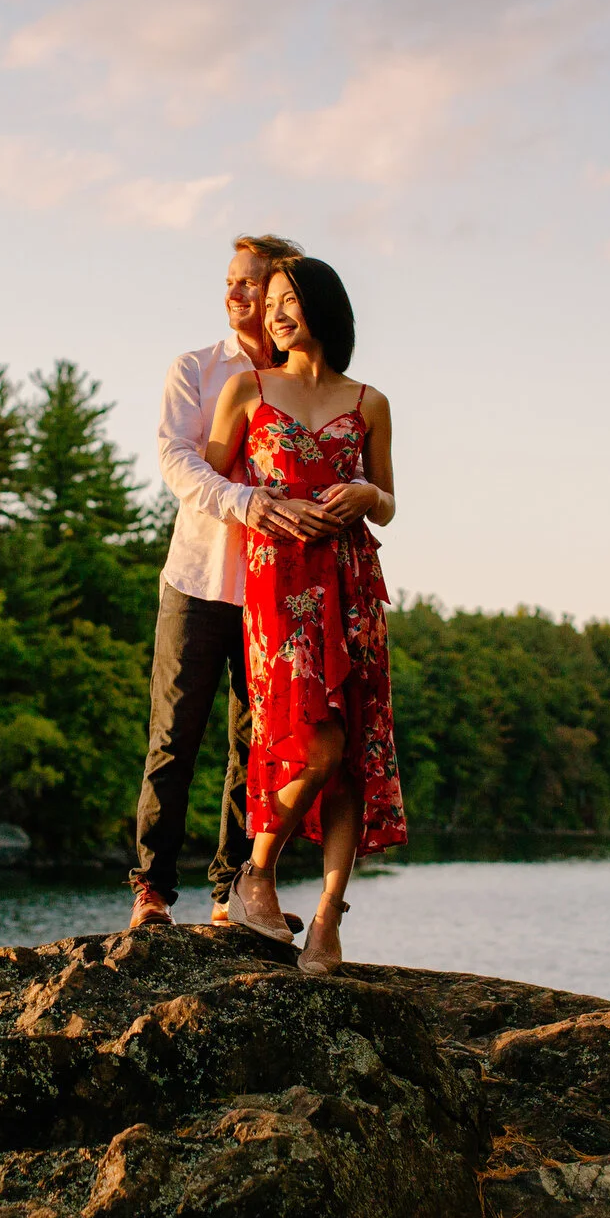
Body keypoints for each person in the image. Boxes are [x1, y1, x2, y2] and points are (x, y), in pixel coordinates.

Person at [126, 235, 373, 930]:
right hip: (202, 576)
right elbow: (179, 463)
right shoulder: (201, 370)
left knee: (258, 746)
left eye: (257, 285)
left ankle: (235, 892)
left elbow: (348, 471)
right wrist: (252, 502)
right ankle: (152, 890)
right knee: (175, 735)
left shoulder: (307, 379)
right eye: (232, 283)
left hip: (282, 593)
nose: (242, 296)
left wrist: (353, 495)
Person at [198, 255, 404, 974]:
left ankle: (326, 918)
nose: (277, 313)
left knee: (348, 754)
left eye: (291, 300)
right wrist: (262, 506)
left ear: (325, 308)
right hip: (280, 579)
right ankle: (256, 873)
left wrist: (363, 498)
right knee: (310, 742)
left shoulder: (369, 401)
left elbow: (390, 499)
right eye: (271, 302)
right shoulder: (247, 390)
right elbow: (207, 477)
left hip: (351, 581)